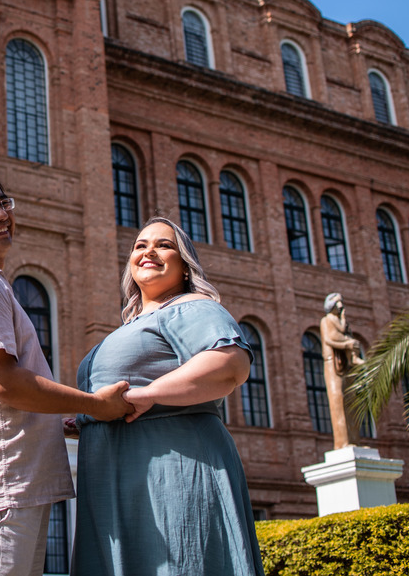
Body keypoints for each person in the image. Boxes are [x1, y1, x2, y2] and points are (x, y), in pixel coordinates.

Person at [0, 167, 133, 576]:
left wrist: (51, 420)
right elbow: (3, 383)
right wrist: (96, 404)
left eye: (4, 202)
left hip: (5, 481)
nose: (3, 214)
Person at [70, 216, 265, 576]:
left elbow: (231, 364)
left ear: (185, 266)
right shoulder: (133, 325)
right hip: (120, 480)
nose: (149, 251)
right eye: (140, 245)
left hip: (172, 472)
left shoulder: (192, 307)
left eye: (164, 245)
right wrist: (87, 416)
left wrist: (150, 394)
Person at [320, 292, 366, 448]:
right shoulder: (326, 321)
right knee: (338, 400)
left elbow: (342, 332)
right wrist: (347, 344)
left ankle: (354, 440)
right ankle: (342, 442)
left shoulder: (340, 321)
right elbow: (330, 338)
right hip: (334, 364)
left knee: (350, 401)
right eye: (337, 303)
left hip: (346, 364)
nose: (340, 306)